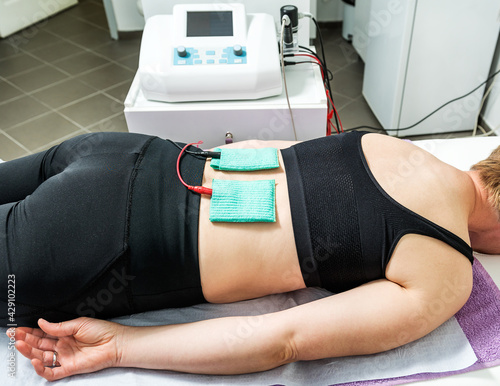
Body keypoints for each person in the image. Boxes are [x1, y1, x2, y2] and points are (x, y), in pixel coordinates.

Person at [2, 130, 498, 381]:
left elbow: (257, 150)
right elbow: (283, 339)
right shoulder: (447, 271)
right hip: (103, 238)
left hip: (119, 152)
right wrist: (118, 347)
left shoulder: (391, 144)